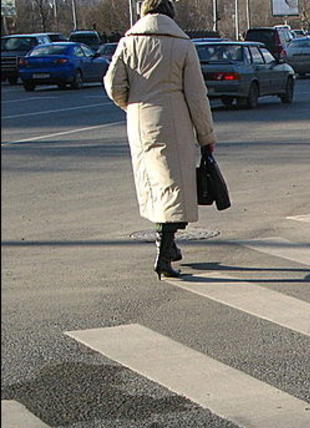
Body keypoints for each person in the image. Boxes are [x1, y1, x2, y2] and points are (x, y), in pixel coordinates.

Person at [104, 0, 216, 279]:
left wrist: (132, 106)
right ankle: (163, 256)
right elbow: (196, 95)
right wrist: (206, 136)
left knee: (155, 186)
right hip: (173, 122)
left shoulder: (128, 42)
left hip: (139, 123)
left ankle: (171, 246)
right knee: (174, 190)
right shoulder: (181, 43)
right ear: (170, 14)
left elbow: (112, 83)